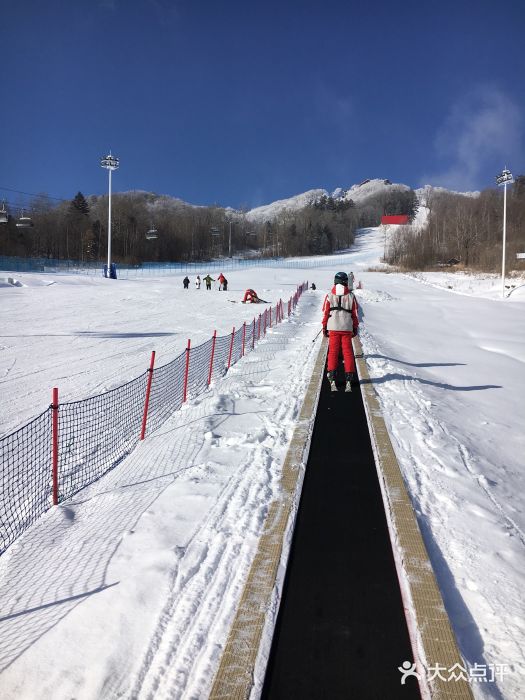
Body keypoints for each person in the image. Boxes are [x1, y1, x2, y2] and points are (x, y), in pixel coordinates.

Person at [321, 271, 359, 392]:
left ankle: (332, 375)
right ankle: (349, 375)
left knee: (333, 352)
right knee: (347, 352)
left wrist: (324, 326)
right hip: (346, 326)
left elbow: (325, 312)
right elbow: (354, 314)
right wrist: (355, 327)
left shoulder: (329, 295)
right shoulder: (351, 296)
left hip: (333, 327)